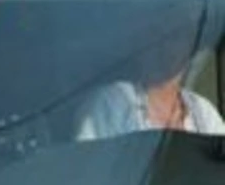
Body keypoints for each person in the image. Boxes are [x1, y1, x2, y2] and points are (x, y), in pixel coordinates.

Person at [76, 8, 225, 140]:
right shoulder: (113, 102)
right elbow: (86, 165)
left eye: (178, 35)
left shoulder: (204, 113)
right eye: (160, 33)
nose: (166, 44)